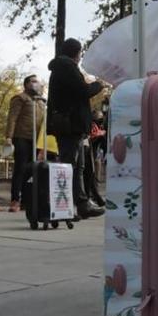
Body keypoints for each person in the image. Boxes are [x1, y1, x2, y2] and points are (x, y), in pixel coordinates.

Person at [47, 38, 106, 219]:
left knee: (76, 166)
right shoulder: (66, 67)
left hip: (71, 125)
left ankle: (79, 204)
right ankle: (73, 205)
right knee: (71, 165)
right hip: (70, 125)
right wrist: (98, 84)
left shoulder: (62, 67)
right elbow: (82, 91)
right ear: (76, 52)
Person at [5, 75, 45, 213]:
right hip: (22, 137)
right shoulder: (20, 98)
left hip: (36, 140)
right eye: (33, 81)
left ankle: (26, 201)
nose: (37, 84)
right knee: (20, 169)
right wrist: (9, 137)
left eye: (37, 81)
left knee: (31, 170)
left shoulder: (40, 102)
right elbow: (12, 118)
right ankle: (15, 200)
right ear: (26, 84)